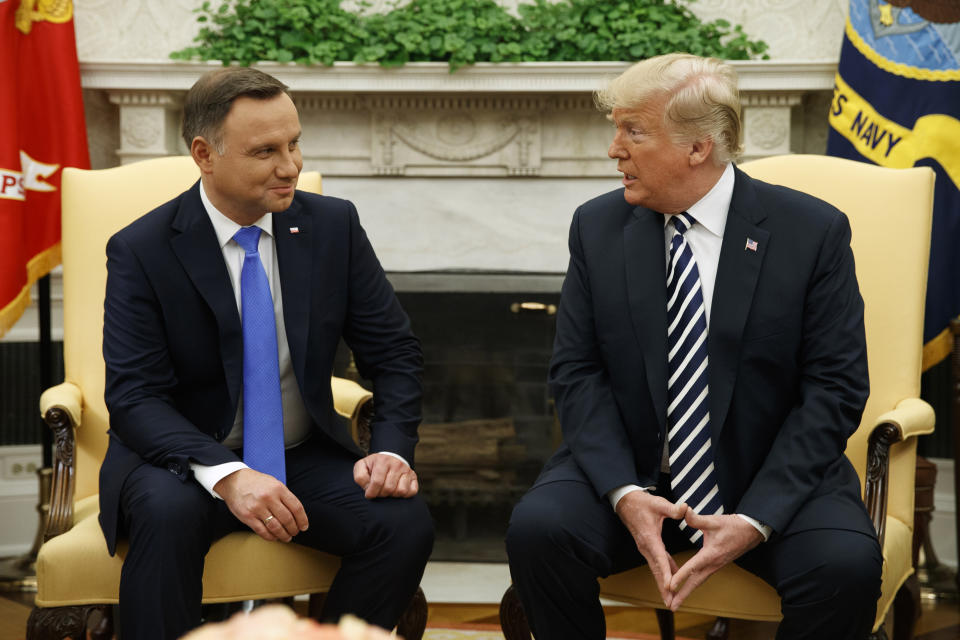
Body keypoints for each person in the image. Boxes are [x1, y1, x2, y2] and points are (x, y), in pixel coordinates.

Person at [505, 53, 882, 639]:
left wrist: (757, 517)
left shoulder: (812, 232)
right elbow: (577, 372)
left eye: (633, 131)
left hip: (770, 478)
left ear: (698, 148)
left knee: (845, 568)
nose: (614, 149)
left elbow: (834, 388)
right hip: (634, 471)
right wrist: (626, 493)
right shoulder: (597, 227)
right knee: (539, 530)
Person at [100, 67, 433, 640]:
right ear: (204, 154)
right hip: (182, 464)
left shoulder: (333, 226)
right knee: (166, 513)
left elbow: (395, 352)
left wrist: (392, 451)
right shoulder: (142, 249)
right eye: (265, 151)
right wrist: (229, 474)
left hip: (300, 455)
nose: (291, 166)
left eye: (295, 143)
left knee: (401, 524)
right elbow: (134, 397)